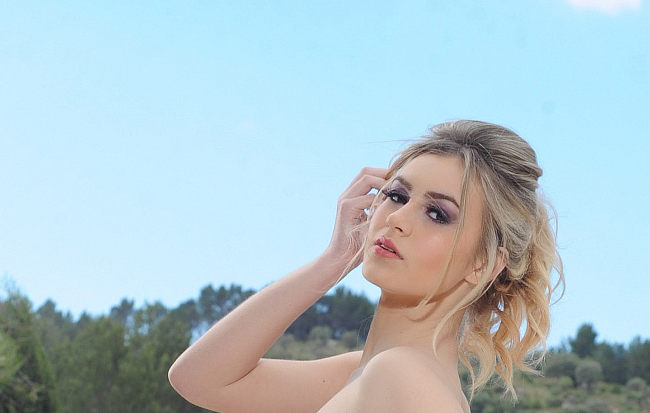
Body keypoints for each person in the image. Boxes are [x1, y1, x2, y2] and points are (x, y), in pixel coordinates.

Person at [168, 119, 563, 413]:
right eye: (396, 194)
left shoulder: (403, 378)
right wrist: (334, 260)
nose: (398, 218)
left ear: (483, 264)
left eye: (437, 213)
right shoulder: (365, 374)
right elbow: (199, 379)